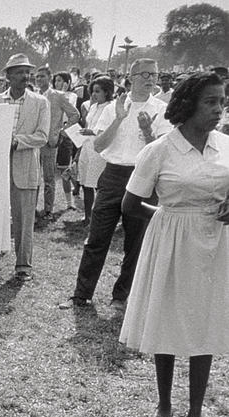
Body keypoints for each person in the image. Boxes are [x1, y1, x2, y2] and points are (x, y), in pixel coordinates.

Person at [119, 73, 229, 417]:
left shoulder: (226, 146)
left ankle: (194, 413)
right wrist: (169, 218)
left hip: (215, 243)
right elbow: (130, 205)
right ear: (188, 106)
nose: (218, 109)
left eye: (221, 100)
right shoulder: (160, 150)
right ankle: (164, 404)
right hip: (170, 242)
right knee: (166, 319)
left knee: (205, 323)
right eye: (210, 102)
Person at [59, 58, 172, 310]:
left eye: (153, 74)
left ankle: (121, 296)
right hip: (112, 176)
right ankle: (81, 294)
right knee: (97, 236)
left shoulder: (162, 109)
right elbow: (98, 146)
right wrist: (120, 119)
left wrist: (147, 131)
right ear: (131, 78)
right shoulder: (114, 107)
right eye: (144, 74)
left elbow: (161, 152)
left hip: (143, 177)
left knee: (135, 241)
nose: (150, 79)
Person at [0, 54, 50, 282]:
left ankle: (23, 265)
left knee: (24, 220)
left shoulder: (40, 102)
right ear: (8, 75)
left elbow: (42, 137)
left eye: (27, 71)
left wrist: (16, 142)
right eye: (19, 72)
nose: (25, 76)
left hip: (25, 169)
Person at [36, 66, 80, 219]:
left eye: (42, 76)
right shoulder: (32, 95)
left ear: (50, 78)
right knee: (33, 177)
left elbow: (75, 115)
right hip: (33, 142)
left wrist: (62, 131)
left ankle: (48, 210)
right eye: (37, 77)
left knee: (49, 178)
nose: (39, 79)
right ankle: (32, 208)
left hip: (50, 141)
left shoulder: (58, 96)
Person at [76, 76, 114, 223]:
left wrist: (91, 132)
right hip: (87, 147)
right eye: (92, 91)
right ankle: (88, 215)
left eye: (97, 91)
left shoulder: (111, 108)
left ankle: (100, 217)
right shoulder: (92, 107)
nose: (93, 94)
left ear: (107, 92)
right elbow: (88, 126)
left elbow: (109, 131)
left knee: (98, 184)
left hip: (100, 150)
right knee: (85, 182)